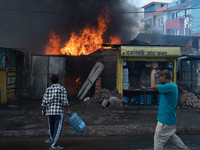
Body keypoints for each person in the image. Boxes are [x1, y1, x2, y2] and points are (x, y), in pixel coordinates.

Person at [151, 69, 189, 150]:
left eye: (160, 77)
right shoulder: (172, 85)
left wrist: (152, 74)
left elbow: (153, 86)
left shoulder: (169, 86)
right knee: (173, 136)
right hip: (170, 119)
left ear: (163, 77)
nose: (159, 79)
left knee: (158, 144)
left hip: (165, 120)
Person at [41, 74, 71, 150]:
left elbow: (44, 102)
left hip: (49, 112)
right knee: (57, 129)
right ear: (58, 80)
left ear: (51, 81)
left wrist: (43, 111)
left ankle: (52, 140)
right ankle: (53, 145)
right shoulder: (62, 89)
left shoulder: (48, 89)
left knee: (51, 127)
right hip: (58, 112)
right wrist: (68, 109)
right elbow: (64, 101)